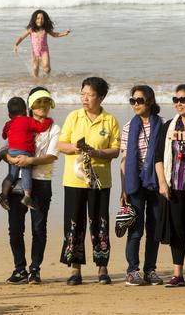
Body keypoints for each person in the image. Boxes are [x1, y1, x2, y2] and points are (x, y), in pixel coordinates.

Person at [57, 77, 120, 285]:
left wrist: (97, 152)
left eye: (90, 95)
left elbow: (115, 150)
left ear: (101, 97)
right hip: (74, 180)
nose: (85, 98)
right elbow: (61, 144)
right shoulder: (73, 117)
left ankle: (102, 267)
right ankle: (75, 269)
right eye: (83, 94)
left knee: (100, 222)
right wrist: (76, 147)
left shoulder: (109, 120)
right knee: (74, 223)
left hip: (100, 181)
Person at [1, 87, 61, 285]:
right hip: (18, 181)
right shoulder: (20, 123)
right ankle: (20, 269)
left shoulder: (54, 128)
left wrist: (30, 161)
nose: (42, 106)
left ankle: (35, 270)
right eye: (38, 102)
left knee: (38, 228)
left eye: (46, 102)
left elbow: (52, 155)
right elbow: (5, 147)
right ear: (31, 105)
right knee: (15, 229)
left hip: (42, 182)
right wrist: (8, 156)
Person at [155, 84, 185, 288]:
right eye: (176, 100)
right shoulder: (169, 126)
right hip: (173, 184)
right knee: (176, 229)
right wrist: (162, 183)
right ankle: (177, 273)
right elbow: (158, 157)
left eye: (183, 100)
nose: (179, 104)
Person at [120, 85, 164, 286]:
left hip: (155, 183)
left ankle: (150, 270)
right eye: (133, 101)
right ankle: (132, 270)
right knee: (135, 229)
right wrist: (123, 189)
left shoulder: (161, 125)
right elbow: (124, 160)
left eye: (139, 100)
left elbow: (165, 157)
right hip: (135, 183)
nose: (135, 104)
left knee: (154, 228)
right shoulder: (129, 127)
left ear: (150, 101)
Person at [0, 96, 53, 211]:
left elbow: (4, 135)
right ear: (26, 111)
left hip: (12, 152)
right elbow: (41, 127)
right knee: (26, 174)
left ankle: (3, 194)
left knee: (11, 175)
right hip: (25, 152)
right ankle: (27, 197)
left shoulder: (9, 123)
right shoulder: (28, 120)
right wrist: (49, 120)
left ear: (9, 114)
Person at [13, 9, 71, 78]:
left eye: (42, 19)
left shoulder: (45, 29)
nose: (40, 20)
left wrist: (64, 33)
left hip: (44, 51)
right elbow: (21, 37)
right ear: (34, 19)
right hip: (35, 52)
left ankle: (47, 78)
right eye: (38, 18)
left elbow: (54, 34)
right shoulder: (31, 30)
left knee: (46, 68)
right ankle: (36, 81)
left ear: (45, 20)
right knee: (35, 68)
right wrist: (16, 44)